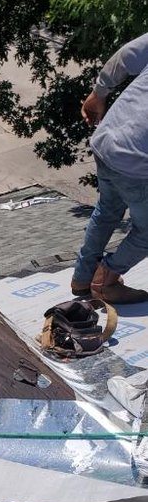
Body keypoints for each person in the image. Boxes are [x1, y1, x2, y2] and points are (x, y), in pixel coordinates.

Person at [71, 32, 148, 304]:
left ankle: (82, 277)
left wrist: (98, 93)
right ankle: (106, 281)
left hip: (108, 138)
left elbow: (127, 56)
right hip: (135, 155)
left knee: (108, 210)